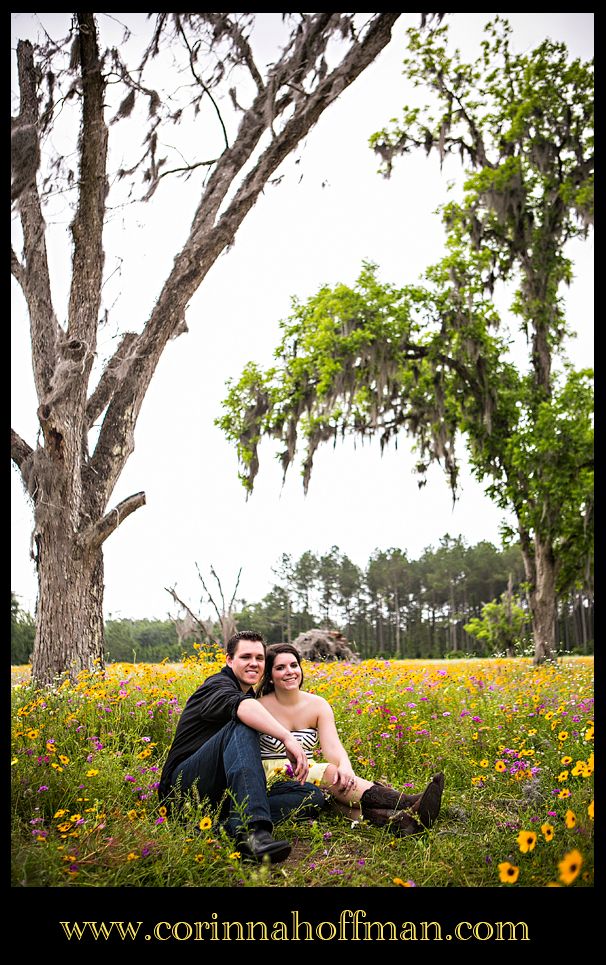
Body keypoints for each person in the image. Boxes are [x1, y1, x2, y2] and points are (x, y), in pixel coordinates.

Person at [158, 631, 326, 864]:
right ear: (229, 660)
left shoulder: (249, 694)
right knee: (241, 726)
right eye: (246, 657)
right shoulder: (217, 685)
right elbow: (241, 707)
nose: (254, 663)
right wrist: (287, 738)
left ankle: (218, 828)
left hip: (219, 797)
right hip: (183, 789)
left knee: (310, 795)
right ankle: (253, 833)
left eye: (259, 658)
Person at [257, 643, 445, 836]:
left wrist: (345, 765)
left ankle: (403, 823)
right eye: (280, 668)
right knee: (329, 773)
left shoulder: (317, 705)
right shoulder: (258, 707)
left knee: (333, 799)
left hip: (309, 771)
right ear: (270, 676)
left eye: (294, 665)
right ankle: (408, 801)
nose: (290, 671)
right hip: (274, 776)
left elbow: (332, 746)